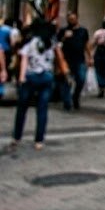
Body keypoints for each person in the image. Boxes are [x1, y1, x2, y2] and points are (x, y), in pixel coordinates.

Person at [9, 21, 64, 151]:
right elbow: (58, 57)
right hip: (47, 77)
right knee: (42, 109)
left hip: (30, 76)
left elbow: (24, 59)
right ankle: (39, 140)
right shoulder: (51, 42)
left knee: (22, 108)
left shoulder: (30, 41)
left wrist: (21, 77)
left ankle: (17, 137)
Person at [58, 12, 91, 111]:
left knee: (81, 79)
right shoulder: (63, 30)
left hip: (80, 59)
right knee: (67, 82)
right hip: (67, 60)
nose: (71, 21)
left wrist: (90, 56)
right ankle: (67, 102)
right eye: (69, 19)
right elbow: (57, 44)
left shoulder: (83, 31)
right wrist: (64, 38)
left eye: (73, 19)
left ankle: (76, 96)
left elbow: (86, 44)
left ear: (77, 19)